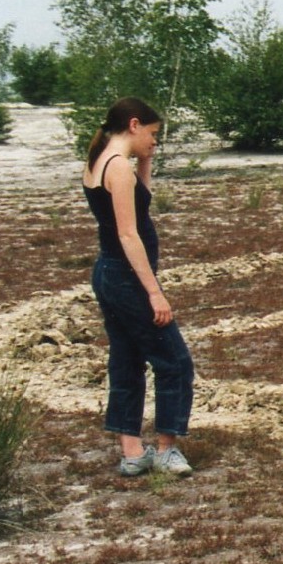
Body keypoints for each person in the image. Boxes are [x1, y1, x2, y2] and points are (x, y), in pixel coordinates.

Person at [81, 98, 195, 477]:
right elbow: (129, 234)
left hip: (109, 274)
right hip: (126, 277)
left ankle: (132, 453)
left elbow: (139, 205)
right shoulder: (117, 167)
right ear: (134, 124)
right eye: (152, 133)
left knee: (127, 359)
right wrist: (154, 292)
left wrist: (145, 161)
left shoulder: (101, 160)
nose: (155, 141)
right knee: (174, 361)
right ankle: (165, 450)